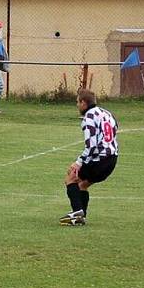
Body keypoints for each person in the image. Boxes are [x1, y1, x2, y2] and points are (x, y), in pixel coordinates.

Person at [60, 89, 118, 226]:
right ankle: (81, 216)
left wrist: (78, 162)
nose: (77, 105)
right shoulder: (107, 113)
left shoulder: (89, 117)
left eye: (77, 102)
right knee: (82, 184)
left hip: (100, 159)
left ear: (83, 103)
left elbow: (91, 145)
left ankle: (77, 213)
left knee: (70, 177)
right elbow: (114, 131)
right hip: (112, 159)